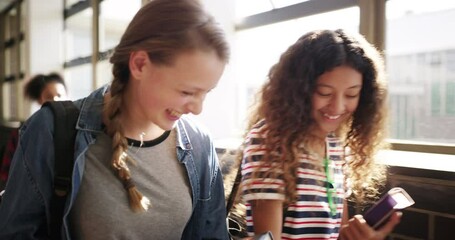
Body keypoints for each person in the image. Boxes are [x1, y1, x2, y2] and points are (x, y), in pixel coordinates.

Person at [0, 0, 230, 239]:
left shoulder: (200, 145)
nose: (198, 108)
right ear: (140, 64)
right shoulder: (50, 130)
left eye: (206, 92)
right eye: (186, 92)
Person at [238, 29, 401, 240]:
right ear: (298, 90)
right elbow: (268, 238)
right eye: (324, 93)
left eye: (352, 94)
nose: (337, 106)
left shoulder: (336, 148)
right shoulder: (270, 141)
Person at [0, 72, 67, 189]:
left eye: (60, 95)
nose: (55, 100)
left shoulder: (78, 129)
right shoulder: (22, 132)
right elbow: (7, 174)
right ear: (39, 100)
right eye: (49, 96)